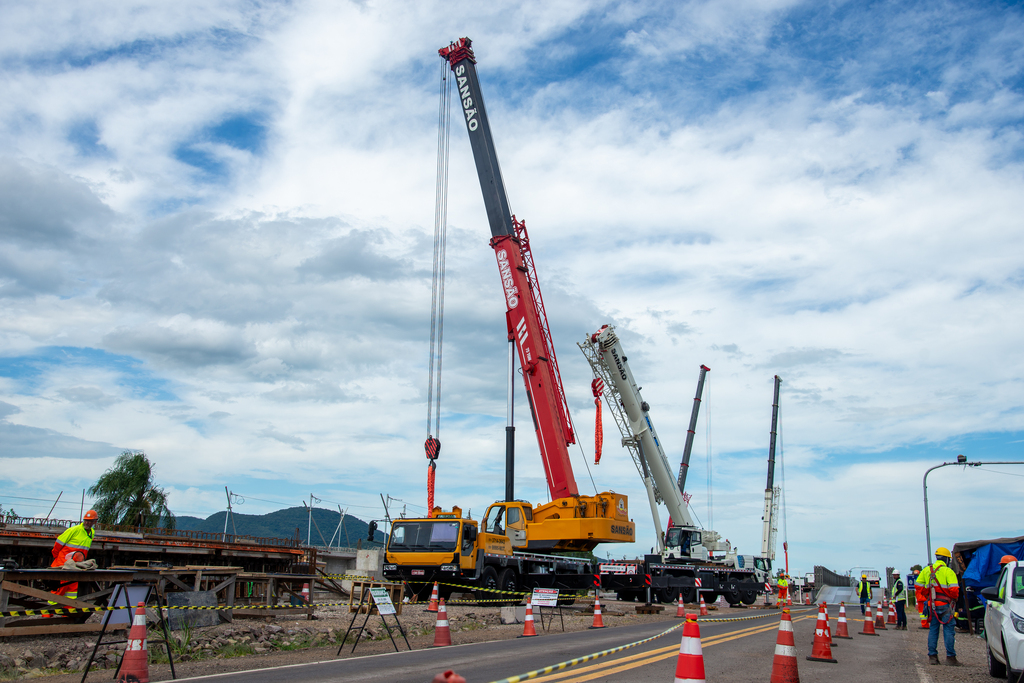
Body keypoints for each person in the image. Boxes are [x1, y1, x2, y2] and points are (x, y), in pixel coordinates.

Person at [917, 546, 961, 666]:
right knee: (948, 630)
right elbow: (954, 590)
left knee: (933, 630)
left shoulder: (927, 570)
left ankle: (932, 657)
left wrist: (927, 593)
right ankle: (951, 658)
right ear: (947, 559)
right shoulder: (948, 571)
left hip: (932, 605)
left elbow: (918, 586)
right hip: (945, 605)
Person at [49, 510, 97, 601]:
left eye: (89, 521)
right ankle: (48, 613)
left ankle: (68, 613)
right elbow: (58, 544)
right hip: (63, 565)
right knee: (59, 589)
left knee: (72, 591)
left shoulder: (92, 533)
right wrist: (58, 559)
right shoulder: (74, 530)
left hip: (76, 566)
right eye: (85, 520)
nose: (87, 522)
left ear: (95, 522)